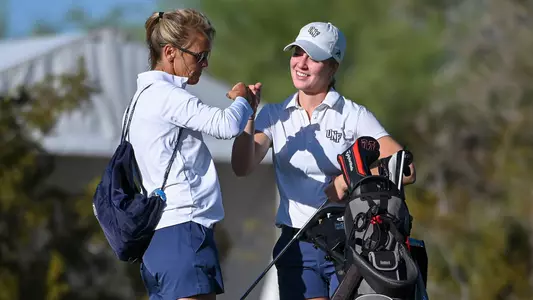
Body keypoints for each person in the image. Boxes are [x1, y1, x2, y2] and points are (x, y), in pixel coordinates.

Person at [231, 21, 416, 300]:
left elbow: (406, 169)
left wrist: (348, 177)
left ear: (333, 67)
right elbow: (242, 166)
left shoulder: (352, 115)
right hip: (297, 243)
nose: (301, 63)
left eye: (313, 57)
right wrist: (247, 114)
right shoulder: (273, 115)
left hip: (350, 240)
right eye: (297, 53)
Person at [128, 9, 258, 300]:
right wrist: (242, 100)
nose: (205, 63)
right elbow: (225, 126)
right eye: (199, 56)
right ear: (171, 52)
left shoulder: (138, 99)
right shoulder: (168, 96)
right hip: (184, 231)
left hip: (158, 240)